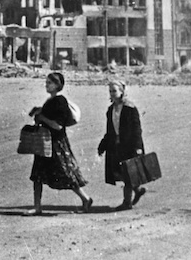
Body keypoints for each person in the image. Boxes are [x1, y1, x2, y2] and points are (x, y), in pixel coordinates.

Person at [26, 72, 92, 215]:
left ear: (57, 85)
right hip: (45, 142)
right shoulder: (51, 101)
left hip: (56, 144)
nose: (46, 85)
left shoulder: (59, 101)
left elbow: (58, 126)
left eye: (49, 83)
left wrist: (42, 117)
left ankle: (85, 199)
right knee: (38, 175)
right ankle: (37, 207)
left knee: (66, 174)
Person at [98, 80, 146, 211]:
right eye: (110, 91)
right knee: (124, 173)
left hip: (130, 145)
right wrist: (102, 146)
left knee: (128, 173)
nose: (112, 94)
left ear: (122, 91)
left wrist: (138, 147)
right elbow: (110, 130)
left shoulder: (130, 108)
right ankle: (138, 190)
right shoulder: (110, 110)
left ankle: (127, 203)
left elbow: (137, 129)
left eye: (114, 91)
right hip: (116, 146)